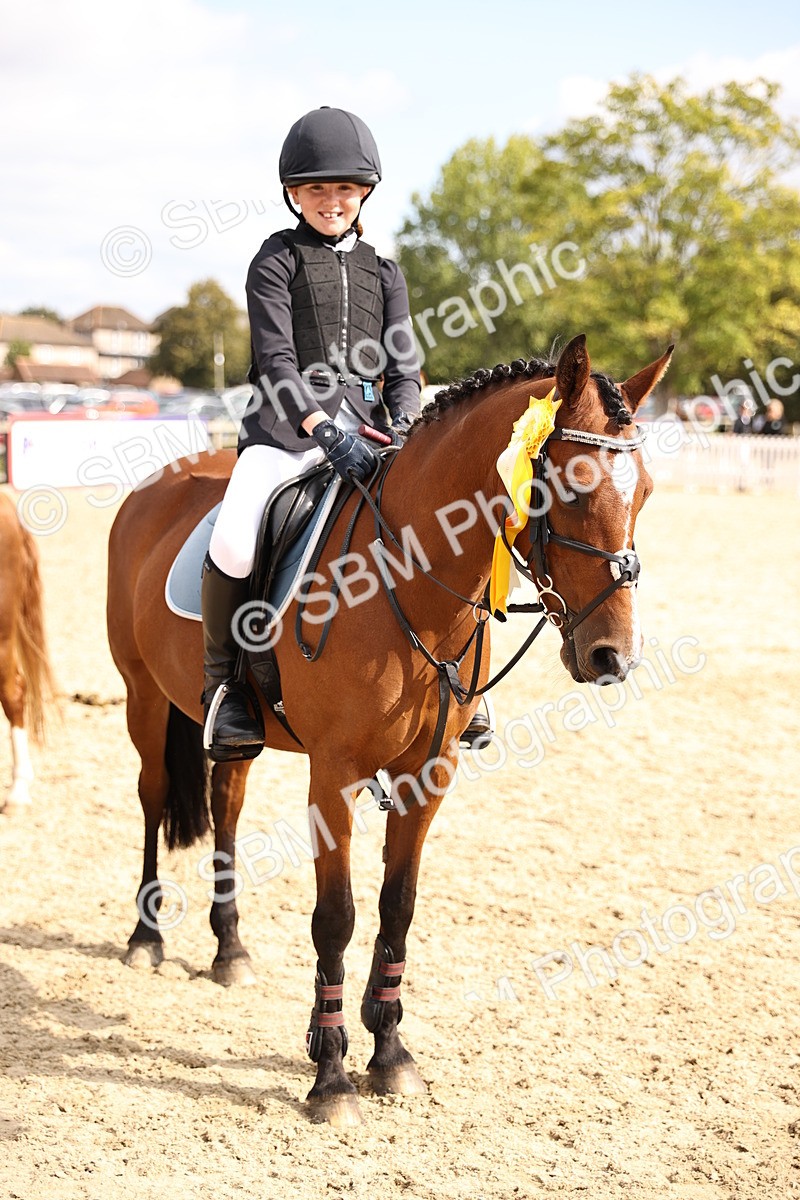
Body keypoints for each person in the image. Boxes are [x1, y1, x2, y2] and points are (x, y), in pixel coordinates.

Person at [201, 106, 421, 761]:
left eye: (346, 188)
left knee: (442, 521)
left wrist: (404, 427)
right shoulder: (275, 260)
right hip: (284, 435)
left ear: (365, 194)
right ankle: (227, 689)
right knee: (237, 539)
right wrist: (323, 430)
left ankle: (455, 679)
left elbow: (404, 366)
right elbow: (275, 361)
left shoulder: (386, 271)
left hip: (373, 436)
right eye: (318, 189)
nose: (333, 201)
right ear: (294, 194)